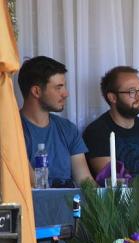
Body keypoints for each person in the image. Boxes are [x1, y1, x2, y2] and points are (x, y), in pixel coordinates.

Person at [83, 66, 139, 186]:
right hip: (114, 203)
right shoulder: (97, 132)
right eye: (132, 92)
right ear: (112, 97)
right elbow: (111, 182)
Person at [18, 56, 93, 187]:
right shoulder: (13, 129)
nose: (66, 93)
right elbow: (29, 187)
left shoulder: (68, 129)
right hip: (33, 206)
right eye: (59, 87)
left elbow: (86, 183)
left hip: (70, 206)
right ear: (36, 91)